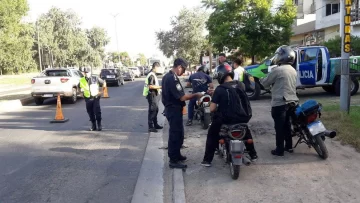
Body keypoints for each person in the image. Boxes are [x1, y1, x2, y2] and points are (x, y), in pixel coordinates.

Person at [201, 63, 258, 167]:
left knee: (212, 135)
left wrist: (214, 100)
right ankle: (253, 154)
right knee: (246, 132)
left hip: (225, 119)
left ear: (220, 75)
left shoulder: (220, 89)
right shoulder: (241, 85)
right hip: (243, 116)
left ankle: (207, 160)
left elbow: (212, 108)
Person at [162, 58, 204, 169]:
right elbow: (182, 97)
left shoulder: (169, 76)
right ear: (179, 66)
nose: (184, 72)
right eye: (184, 69)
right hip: (173, 110)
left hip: (174, 109)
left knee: (179, 133)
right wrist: (196, 95)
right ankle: (173, 160)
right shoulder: (172, 78)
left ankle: (177, 154)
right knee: (175, 134)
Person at [260, 45, 299, 156]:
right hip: (292, 102)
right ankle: (289, 147)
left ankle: (279, 150)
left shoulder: (278, 70)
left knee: (279, 127)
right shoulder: (293, 70)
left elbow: (264, 83)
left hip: (280, 103)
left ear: (281, 56)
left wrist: (260, 77)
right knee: (287, 125)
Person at [143, 62, 163, 132]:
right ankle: (151, 126)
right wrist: (161, 87)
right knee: (152, 110)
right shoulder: (151, 75)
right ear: (156, 67)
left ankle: (155, 124)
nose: (159, 69)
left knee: (156, 109)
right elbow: (151, 86)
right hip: (152, 94)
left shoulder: (153, 74)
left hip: (154, 94)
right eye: (159, 68)